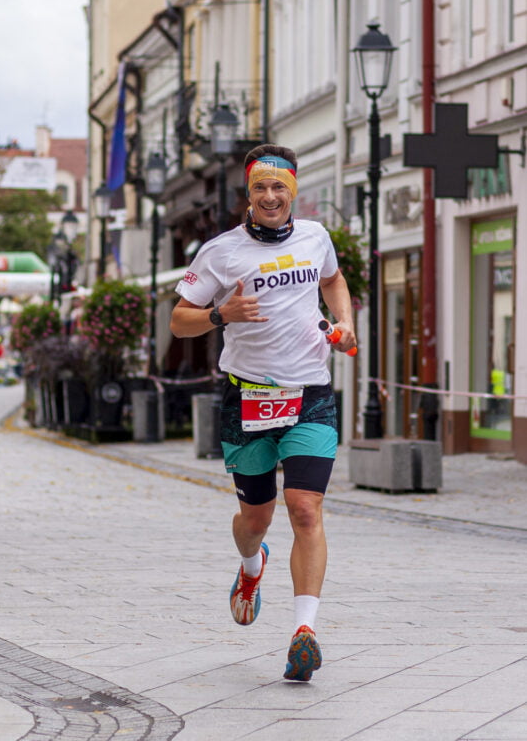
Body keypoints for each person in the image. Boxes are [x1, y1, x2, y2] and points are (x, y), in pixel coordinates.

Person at [170, 144, 356, 683]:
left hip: (310, 392)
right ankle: (252, 565)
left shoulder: (315, 237)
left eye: (279, 187)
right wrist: (219, 313)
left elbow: (332, 280)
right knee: (256, 519)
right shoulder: (220, 252)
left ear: (292, 190)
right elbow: (178, 321)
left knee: (305, 508)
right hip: (246, 397)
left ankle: (304, 631)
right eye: (260, 188)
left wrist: (344, 323)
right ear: (247, 194)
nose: (270, 196)